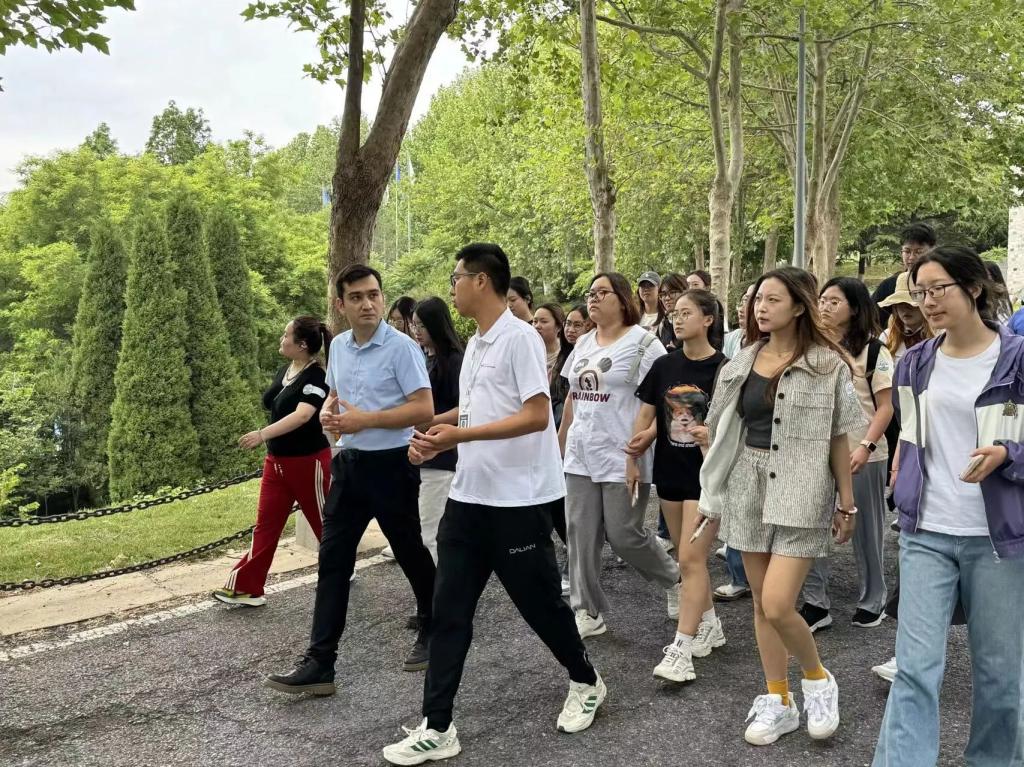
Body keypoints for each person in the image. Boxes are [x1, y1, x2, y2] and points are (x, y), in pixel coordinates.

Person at [382, 243, 605, 765]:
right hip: (468, 499)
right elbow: (476, 409)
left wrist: (457, 437)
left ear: (481, 280)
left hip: (516, 501)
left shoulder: (520, 338)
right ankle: (438, 726)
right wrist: (437, 429)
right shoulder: (479, 343)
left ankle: (586, 680)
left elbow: (534, 415)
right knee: (448, 612)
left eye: (457, 276)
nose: (452, 286)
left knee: (541, 607)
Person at [698, 266, 865, 747]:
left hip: (803, 487)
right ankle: (778, 698)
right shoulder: (741, 361)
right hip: (747, 485)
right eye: (757, 300)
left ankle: (817, 679)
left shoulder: (828, 365)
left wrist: (846, 502)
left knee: (777, 602)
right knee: (761, 605)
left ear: (798, 306)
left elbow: (838, 437)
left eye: (772, 299)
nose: (761, 308)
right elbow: (726, 430)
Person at [873, 246, 1024, 767]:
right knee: (915, 669)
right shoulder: (914, 363)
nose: (927, 301)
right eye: (920, 292)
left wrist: (1008, 454)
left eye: (938, 289)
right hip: (926, 533)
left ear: (974, 288)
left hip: (999, 539)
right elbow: (912, 438)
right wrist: (902, 479)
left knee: (1000, 674)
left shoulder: (1017, 358)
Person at [265, 265, 437, 695]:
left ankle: (435, 624)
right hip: (349, 465)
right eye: (357, 297)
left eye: (373, 295)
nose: (368, 304)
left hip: (393, 465)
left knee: (410, 551)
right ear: (341, 305)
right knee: (333, 561)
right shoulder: (339, 346)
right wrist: (330, 413)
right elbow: (337, 397)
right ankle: (320, 663)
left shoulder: (402, 348)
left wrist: (366, 420)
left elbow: (424, 410)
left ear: (382, 297)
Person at [557, 272, 679, 638]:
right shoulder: (584, 342)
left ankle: (674, 579)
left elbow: (667, 399)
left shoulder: (644, 344)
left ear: (623, 298)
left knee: (624, 534)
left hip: (624, 454)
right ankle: (586, 609)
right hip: (581, 453)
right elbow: (573, 395)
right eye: (590, 293)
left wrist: (647, 438)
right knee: (580, 534)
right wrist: (561, 440)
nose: (592, 299)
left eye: (601, 292)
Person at [629, 289, 728, 682]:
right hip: (669, 473)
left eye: (687, 312)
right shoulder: (664, 365)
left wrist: (711, 435)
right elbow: (647, 415)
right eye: (675, 314)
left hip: (706, 477)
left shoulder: (725, 369)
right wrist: (635, 454)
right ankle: (710, 624)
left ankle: (681, 649)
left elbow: (734, 427)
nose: (677, 318)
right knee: (692, 559)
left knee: (689, 559)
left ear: (708, 319)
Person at [214, 317, 333, 607]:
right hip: (276, 463)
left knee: (324, 523)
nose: (281, 339)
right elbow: (275, 404)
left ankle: (340, 568)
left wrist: (262, 434)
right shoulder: (286, 371)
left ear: (301, 344)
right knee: (265, 526)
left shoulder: (317, 377)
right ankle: (246, 587)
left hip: (308, 463)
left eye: (285, 335)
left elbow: (303, 415)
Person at [801, 278, 894, 631]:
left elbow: (885, 407)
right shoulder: (811, 347)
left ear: (854, 309)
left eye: (834, 301)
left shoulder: (873, 352)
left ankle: (873, 599)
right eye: (822, 300)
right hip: (816, 452)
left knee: (867, 531)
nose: (824, 307)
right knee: (810, 527)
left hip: (863, 453)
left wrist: (866, 446)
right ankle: (815, 603)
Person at [715, 282, 754, 602]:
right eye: (745, 300)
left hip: (756, 436)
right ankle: (739, 573)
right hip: (731, 429)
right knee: (732, 502)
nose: (746, 307)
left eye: (753, 301)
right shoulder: (732, 340)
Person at [872, 222, 937, 326]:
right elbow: (871, 320)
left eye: (918, 252)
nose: (911, 257)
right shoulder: (889, 285)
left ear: (933, 252)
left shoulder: (941, 284)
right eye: (907, 251)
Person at [656, 274, 689, 351]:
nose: (667, 298)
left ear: (685, 292)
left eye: (672, 292)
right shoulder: (663, 323)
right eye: (663, 294)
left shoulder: (693, 320)